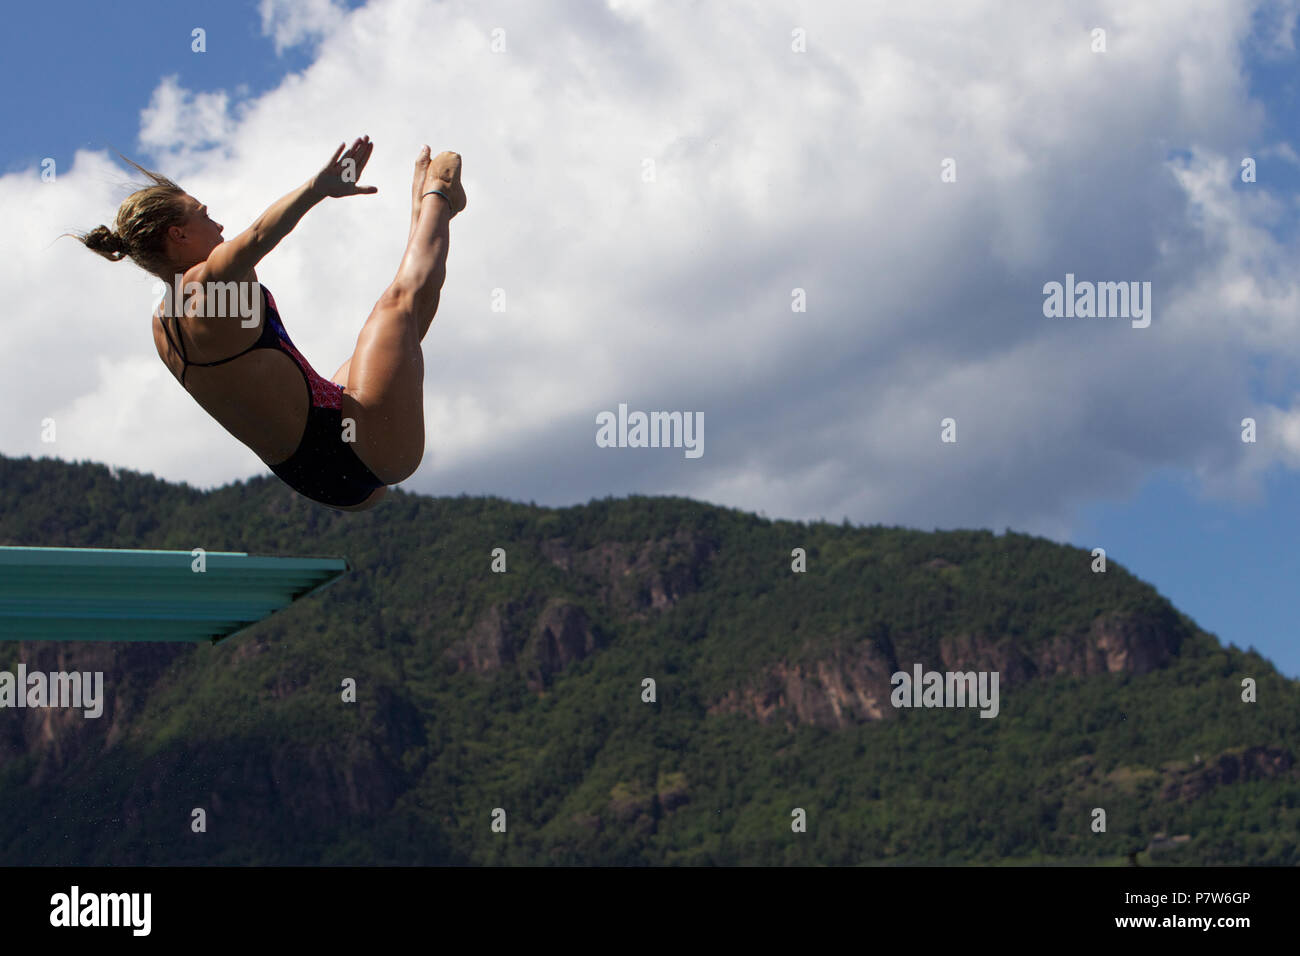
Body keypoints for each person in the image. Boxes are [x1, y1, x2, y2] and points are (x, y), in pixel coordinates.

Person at [76, 137, 465, 511]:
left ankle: (428, 213)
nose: (220, 227)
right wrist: (318, 187)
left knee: (391, 337)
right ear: (178, 235)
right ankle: (439, 192)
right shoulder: (206, 285)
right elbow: (259, 234)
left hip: (322, 482)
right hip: (364, 446)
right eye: (205, 216)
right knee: (397, 306)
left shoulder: (162, 328)